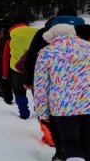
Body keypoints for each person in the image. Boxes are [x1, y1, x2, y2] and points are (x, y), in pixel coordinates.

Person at [34, 24, 90, 161]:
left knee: (71, 145)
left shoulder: (46, 52)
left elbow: (41, 85)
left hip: (62, 108)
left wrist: (43, 112)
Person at [2, 15, 38, 119]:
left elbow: (5, 56)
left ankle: (24, 113)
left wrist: (5, 74)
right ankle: (40, 112)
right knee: (37, 91)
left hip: (16, 68)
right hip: (35, 67)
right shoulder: (36, 31)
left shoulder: (10, 34)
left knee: (19, 91)